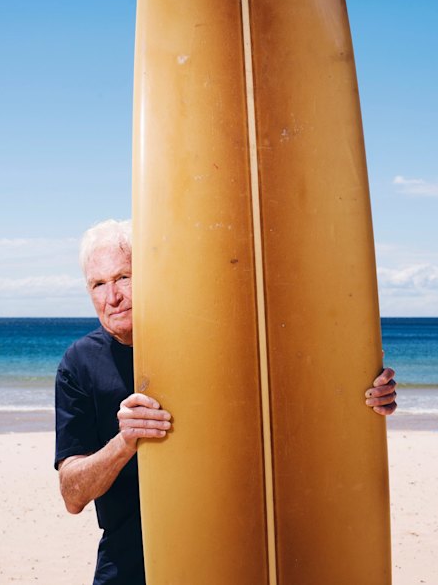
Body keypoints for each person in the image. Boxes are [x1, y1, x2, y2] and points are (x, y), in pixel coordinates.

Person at [55, 219, 398, 585]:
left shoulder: (213, 338)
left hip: (229, 558)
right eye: (98, 284)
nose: (112, 296)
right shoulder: (79, 364)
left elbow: (303, 391)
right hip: (128, 565)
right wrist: (124, 443)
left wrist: (366, 392)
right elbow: (73, 494)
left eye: (124, 277)